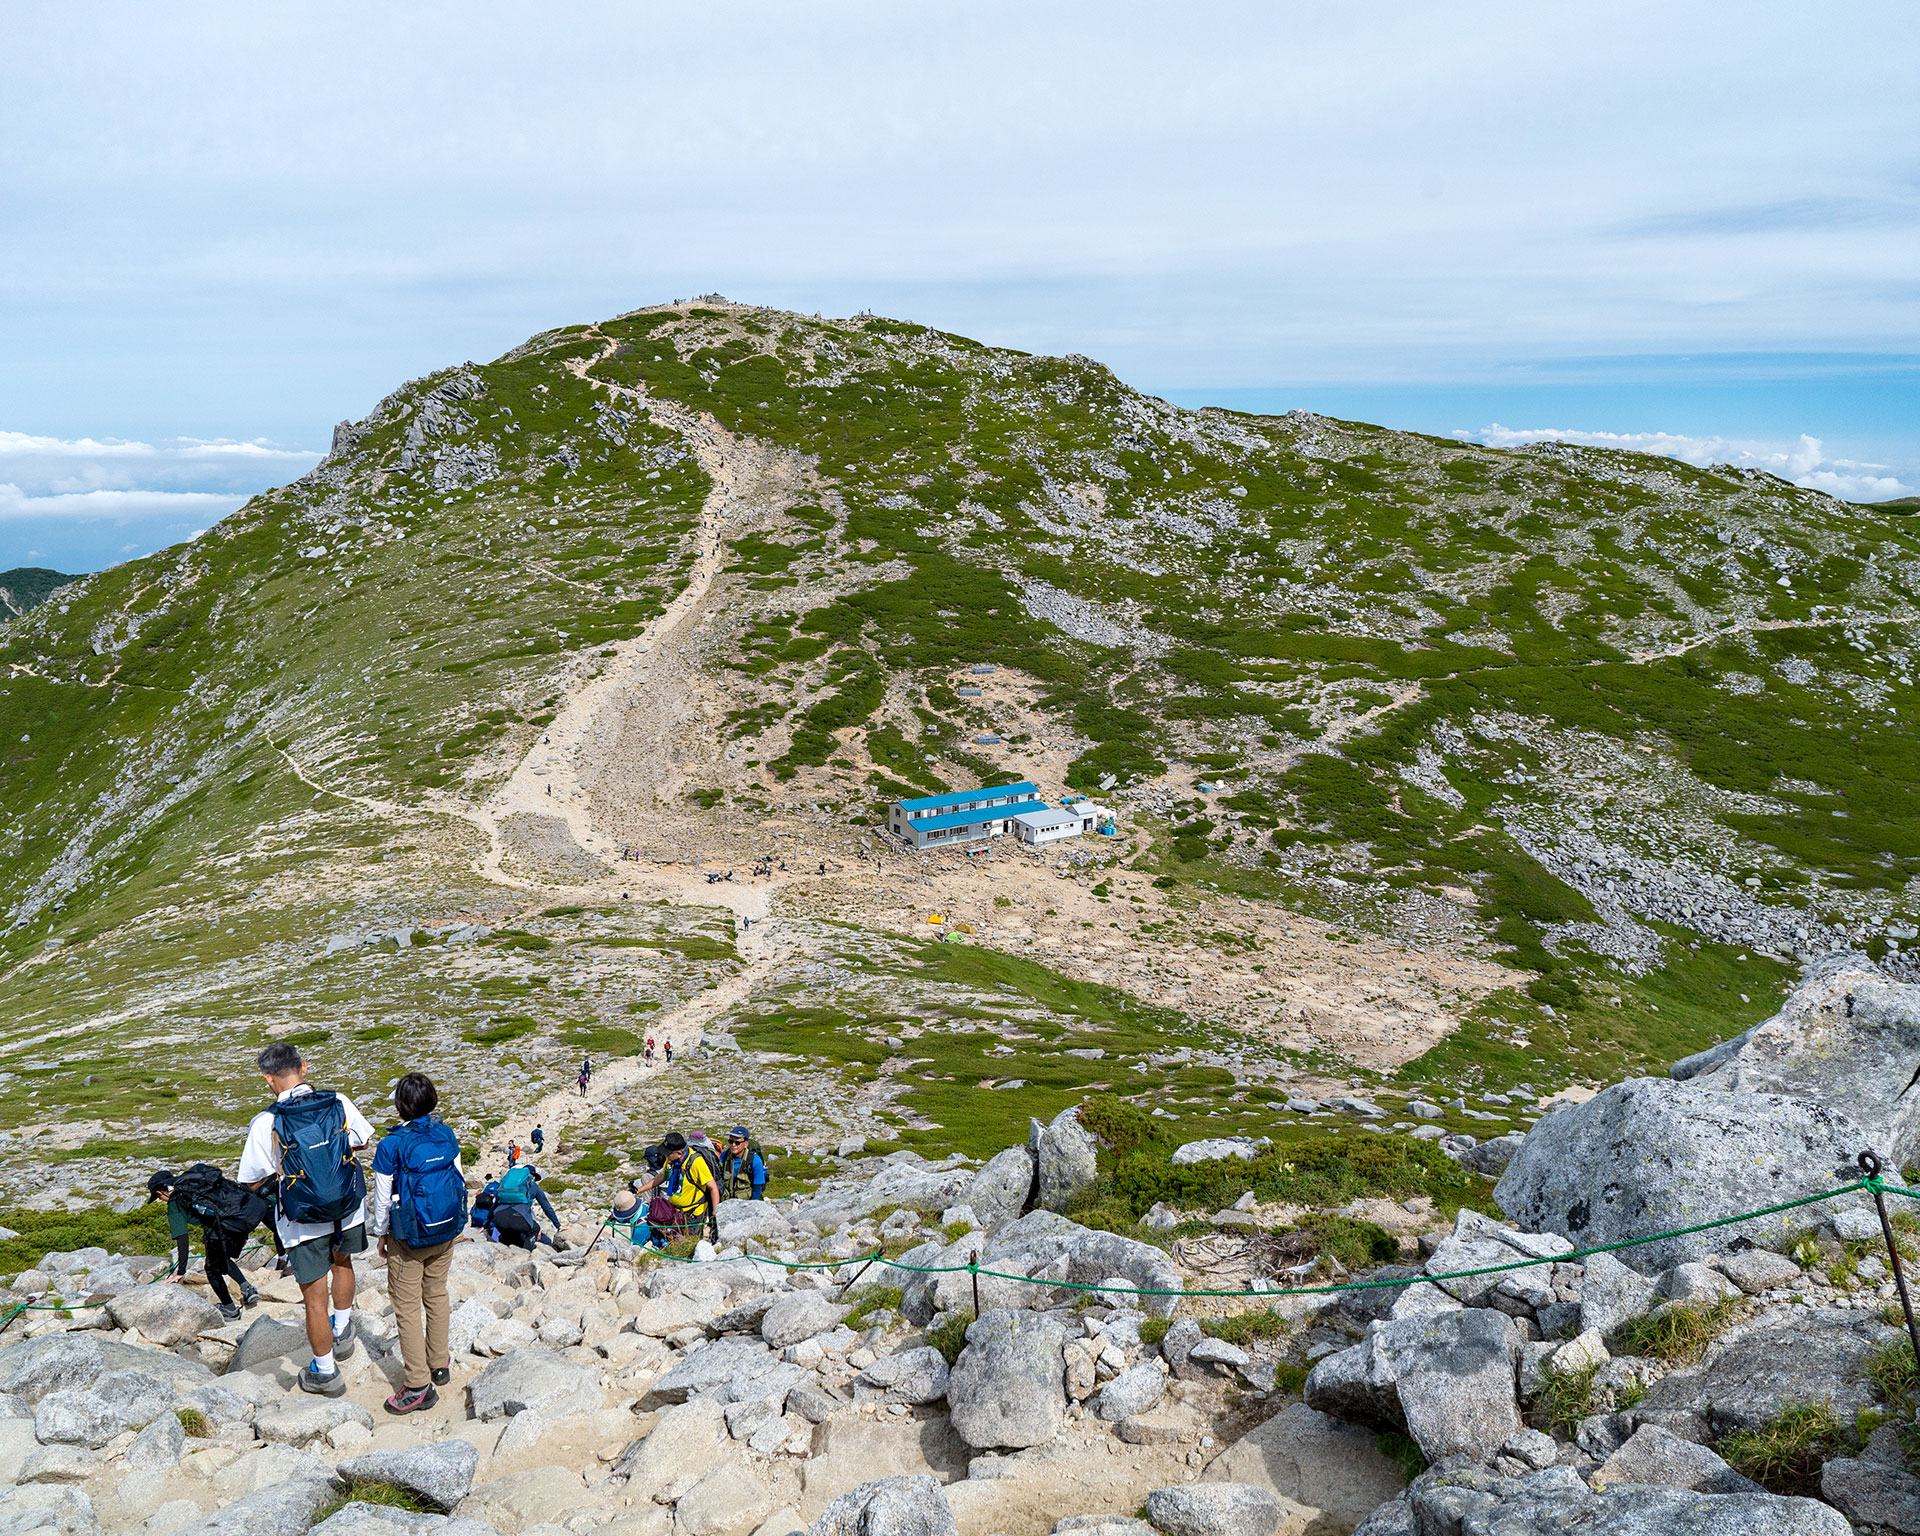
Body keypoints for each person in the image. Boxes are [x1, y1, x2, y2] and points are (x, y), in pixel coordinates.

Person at [238, 1043, 374, 1398]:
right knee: (343, 1263)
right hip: (346, 1206)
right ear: (304, 1068)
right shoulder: (337, 1101)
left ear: (268, 1079)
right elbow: (362, 1141)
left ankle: (326, 1372)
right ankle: (342, 1331)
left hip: (301, 1220)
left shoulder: (266, 1122)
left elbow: (251, 1180)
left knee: (314, 1300)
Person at [370, 1073, 467, 1415]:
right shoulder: (445, 1134)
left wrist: (382, 1233)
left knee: (407, 1307)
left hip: (409, 1236)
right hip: (445, 1230)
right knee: (437, 1294)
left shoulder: (391, 1145)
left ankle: (417, 1385)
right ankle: (439, 1364)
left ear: (400, 1106)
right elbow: (458, 1179)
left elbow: (382, 1198)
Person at [147, 1167, 265, 1319]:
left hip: (218, 1231)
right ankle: (247, 1288)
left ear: (160, 1192)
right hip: (238, 1222)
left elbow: (182, 1238)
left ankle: (230, 1309)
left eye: (158, 1197)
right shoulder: (197, 1184)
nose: (161, 1200)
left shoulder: (175, 1201)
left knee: (211, 1269)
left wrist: (181, 1272)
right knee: (222, 1259)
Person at [628, 1131, 718, 1246]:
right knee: (676, 1241)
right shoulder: (672, 1160)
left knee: (690, 1243)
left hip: (694, 1213)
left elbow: (713, 1188)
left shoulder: (697, 1163)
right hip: (676, 1211)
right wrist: (638, 1190)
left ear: (679, 1153)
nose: (665, 1156)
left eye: (668, 1153)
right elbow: (661, 1177)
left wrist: (715, 1214)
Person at [489, 1162, 565, 1250]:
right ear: (533, 1177)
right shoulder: (534, 1187)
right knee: (540, 1234)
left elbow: (494, 1205)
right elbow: (547, 1208)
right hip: (518, 1220)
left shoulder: (507, 1187)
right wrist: (558, 1226)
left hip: (499, 1220)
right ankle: (526, 1253)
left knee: (513, 1239)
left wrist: (486, 1225)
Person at [719, 1127, 767, 1201]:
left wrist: (752, 1205)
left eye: (737, 1143)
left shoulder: (755, 1160)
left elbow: (757, 1187)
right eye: (731, 1141)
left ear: (746, 1144)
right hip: (726, 1201)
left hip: (745, 1202)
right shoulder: (724, 1156)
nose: (733, 1145)